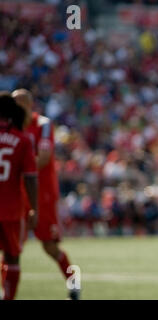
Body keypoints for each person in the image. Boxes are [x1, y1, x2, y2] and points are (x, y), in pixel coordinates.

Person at [12, 89, 80, 300]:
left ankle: (73, 282)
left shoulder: (43, 124)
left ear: (29, 105)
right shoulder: (10, 127)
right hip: (17, 193)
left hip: (43, 193)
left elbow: (43, 157)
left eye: (20, 104)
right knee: (11, 247)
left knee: (49, 246)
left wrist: (17, 166)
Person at [0, 92, 38, 300]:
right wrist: (34, 208)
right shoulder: (22, 140)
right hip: (11, 209)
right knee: (12, 257)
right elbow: (31, 177)